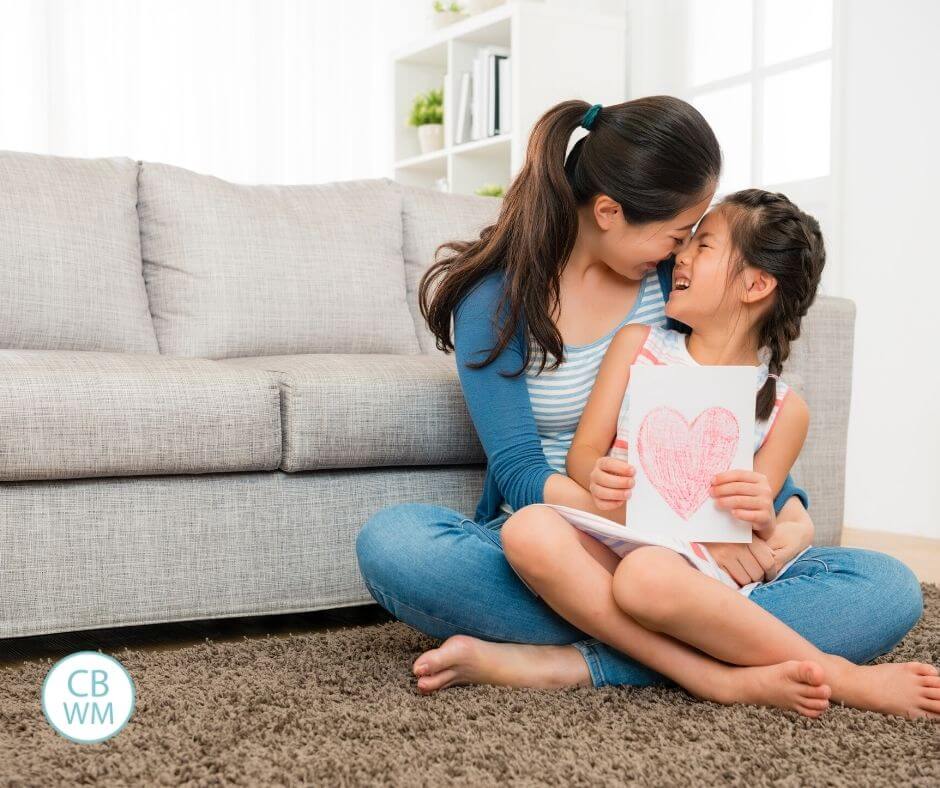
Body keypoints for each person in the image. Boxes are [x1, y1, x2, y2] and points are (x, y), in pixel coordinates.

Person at [355, 97, 923, 699]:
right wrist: (665, 528)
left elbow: (725, 414)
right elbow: (520, 471)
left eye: (697, 240)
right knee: (397, 545)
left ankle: (570, 659)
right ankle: (717, 665)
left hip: (684, 560)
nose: (682, 253)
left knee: (888, 586)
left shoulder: (670, 289)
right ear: (608, 211)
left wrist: (791, 514)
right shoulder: (496, 302)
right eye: (681, 233)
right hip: (565, 536)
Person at [500, 189, 939, 718]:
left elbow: (761, 529)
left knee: (646, 579)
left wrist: (760, 510)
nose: (680, 254)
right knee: (525, 529)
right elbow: (583, 453)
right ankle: (727, 674)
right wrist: (599, 473)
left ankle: (829, 674)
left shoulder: (784, 408)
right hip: (614, 533)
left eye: (703, 245)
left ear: (755, 285)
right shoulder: (637, 345)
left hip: (688, 574)